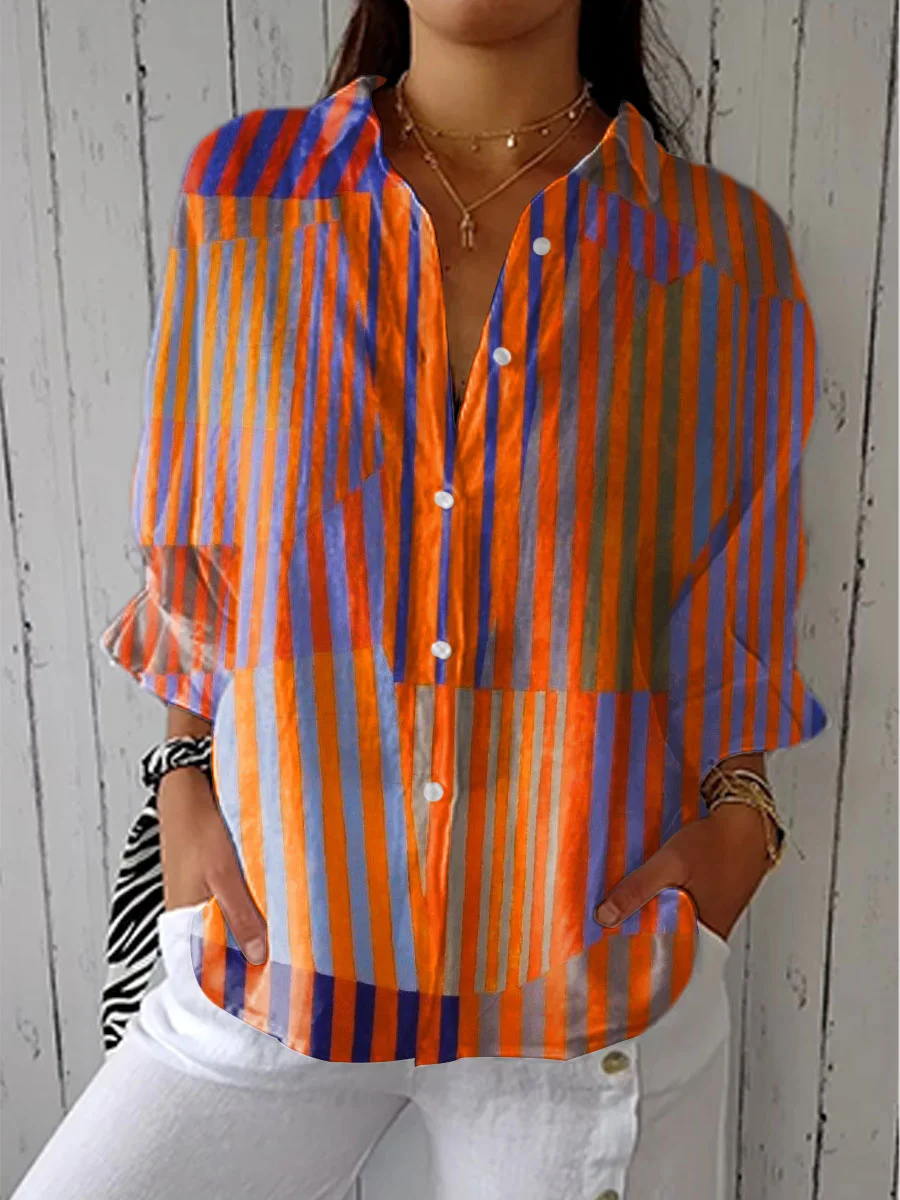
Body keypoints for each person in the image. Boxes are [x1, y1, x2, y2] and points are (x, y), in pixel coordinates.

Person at [14, 0, 828, 1196]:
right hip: (274, 951)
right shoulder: (251, 200)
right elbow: (200, 556)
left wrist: (740, 824)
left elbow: (731, 610)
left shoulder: (714, 250)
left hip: (577, 989)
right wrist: (182, 776)